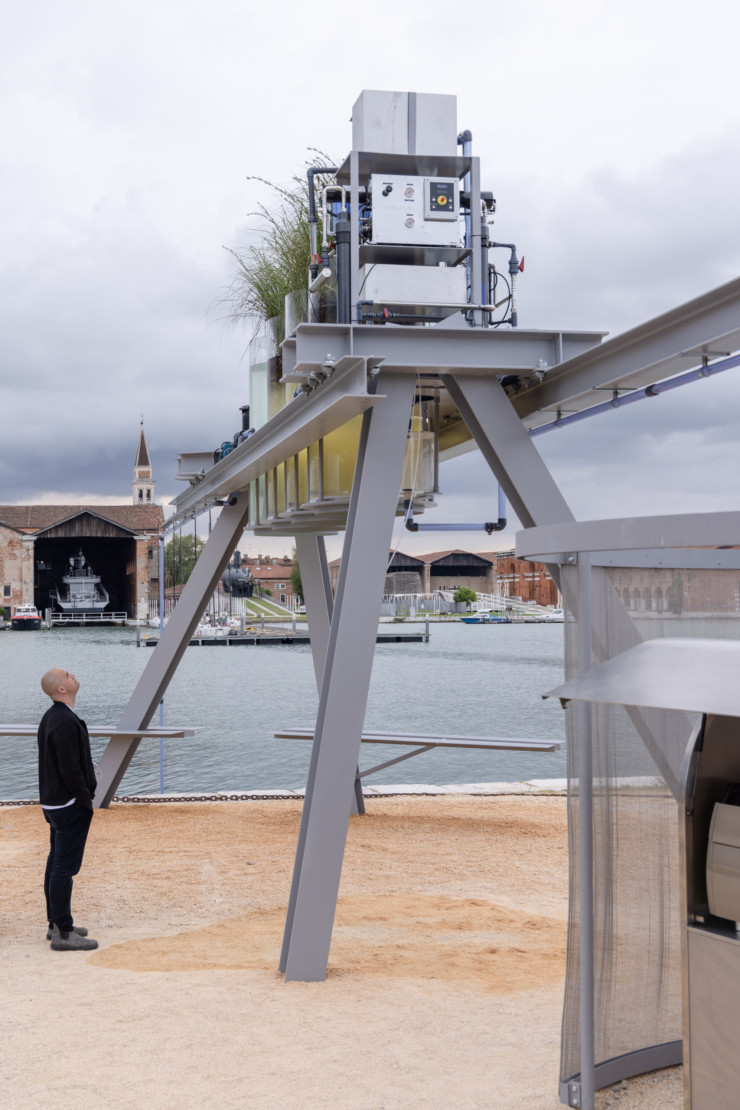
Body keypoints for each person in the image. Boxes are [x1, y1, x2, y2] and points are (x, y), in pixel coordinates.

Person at [37, 667, 98, 951]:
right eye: (68, 676)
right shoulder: (62, 721)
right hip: (68, 805)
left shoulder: (53, 717)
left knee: (56, 863)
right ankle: (63, 932)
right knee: (64, 868)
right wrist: (84, 800)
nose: (73, 676)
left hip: (54, 803)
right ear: (61, 689)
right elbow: (70, 768)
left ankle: (56, 924)